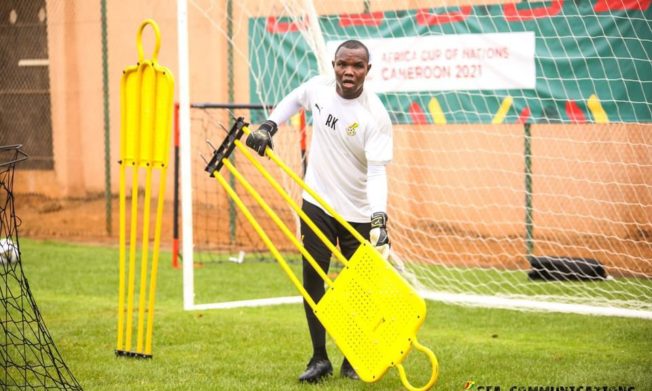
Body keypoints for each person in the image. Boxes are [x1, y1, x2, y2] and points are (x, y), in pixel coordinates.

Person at [245, 39, 392, 384]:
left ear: (367, 70)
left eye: (357, 66)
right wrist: (269, 125)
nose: (348, 72)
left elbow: (376, 172)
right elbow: (295, 99)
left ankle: (353, 358)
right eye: (343, 64)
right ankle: (319, 357)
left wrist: (379, 218)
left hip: (357, 212)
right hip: (317, 202)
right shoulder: (319, 88)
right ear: (334, 64)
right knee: (313, 280)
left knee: (362, 288)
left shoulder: (376, 116)